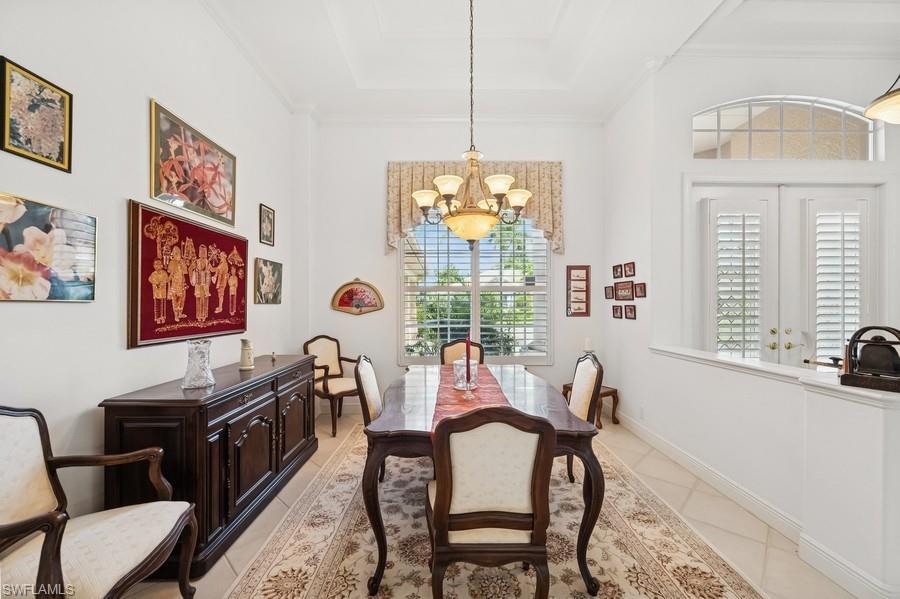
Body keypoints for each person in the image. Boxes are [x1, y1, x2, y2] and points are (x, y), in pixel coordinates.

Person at [167, 245, 188, 322]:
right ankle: (176, 315)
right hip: (175, 284)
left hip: (182, 283)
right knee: (175, 300)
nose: (177, 255)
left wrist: (182, 263)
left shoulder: (181, 262)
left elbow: (185, 272)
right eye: (176, 253)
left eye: (178, 253)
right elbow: (170, 273)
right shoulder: (172, 263)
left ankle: (180, 313)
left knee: (182, 299)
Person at [148, 259, 169, 324]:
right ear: (154, 266)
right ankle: (157, 318)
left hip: (162, 293)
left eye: (159, 264)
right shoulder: (153, 274)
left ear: (162, 265)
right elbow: (150, 279)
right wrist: (156, 283)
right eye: (156, 264)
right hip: (156, 293)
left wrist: (162, 283)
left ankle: (163, 317)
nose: (157, 266)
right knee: (157, 306)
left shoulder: (164, 273)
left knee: (163, 305)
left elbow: (166, 279)